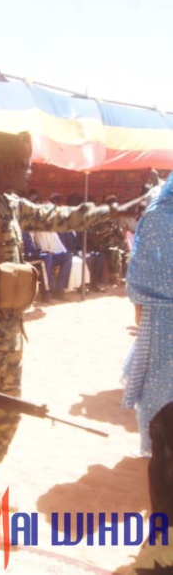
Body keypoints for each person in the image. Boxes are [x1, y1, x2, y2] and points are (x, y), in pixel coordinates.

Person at [0, 130, 146, 529]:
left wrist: (109, 210)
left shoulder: (7, 204)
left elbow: (57, 217)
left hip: (7, 337)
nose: (28, 169)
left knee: (6, 417)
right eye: (23, 163)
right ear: (4, 165)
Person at [122, 177, 173, 456]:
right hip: (159, 319)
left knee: (157, 388)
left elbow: (137, 277)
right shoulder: (155, 217)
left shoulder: (154, 218)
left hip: (158, 321)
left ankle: (157, 449)